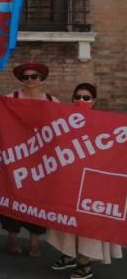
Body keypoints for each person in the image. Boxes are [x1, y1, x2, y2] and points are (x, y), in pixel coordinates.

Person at [47, 83, 122, 279]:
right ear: (72, 99)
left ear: (94, 101)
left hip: (92, 184)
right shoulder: (63, 122)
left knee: (87, 224)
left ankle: (84, 263)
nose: (81, 101)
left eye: (86, 98)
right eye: (78, 97)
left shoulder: (103, 123)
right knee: (66, 220)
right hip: (68, 181)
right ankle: (69, 254)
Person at [0, 62, 59, 257]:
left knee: (37, 198)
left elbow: (61, 126)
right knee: (13, 194)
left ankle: (35, 242)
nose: (30, 80)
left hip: (41, 159)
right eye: (26, 77)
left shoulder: (52, 100)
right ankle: (13, 239)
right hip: (16, 155)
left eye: (34, 76)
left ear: (41, 79)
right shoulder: (11, 99)